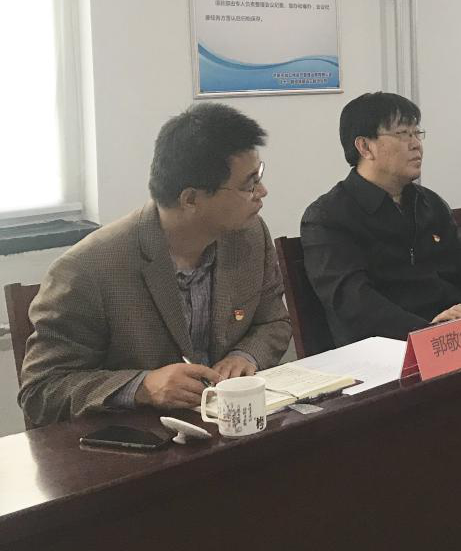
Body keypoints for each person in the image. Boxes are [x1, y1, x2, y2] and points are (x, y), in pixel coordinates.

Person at [18, 104, 291, 427]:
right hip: (137, 440)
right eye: (249, 184)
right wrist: (142, 387)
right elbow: (41, 391)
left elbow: (273, 321)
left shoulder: (249, 236)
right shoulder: (87, 269)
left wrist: (245, 356)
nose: (262, 192)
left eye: (259, 176)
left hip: (231, 428)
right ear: (190, 199)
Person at [302, 92, 461, 346]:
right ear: (365, 147)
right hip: (386, 347)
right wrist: (427, 332)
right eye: (403, 134)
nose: (416, 144)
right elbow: (354, 302)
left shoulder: (429, 204)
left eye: (417, 133)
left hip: (451, 335)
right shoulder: (328, 217)